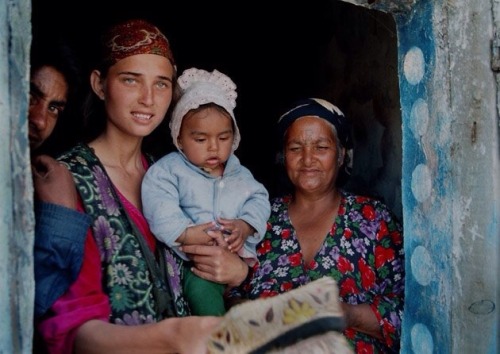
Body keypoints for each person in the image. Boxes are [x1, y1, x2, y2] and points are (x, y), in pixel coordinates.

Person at [35, 19, 249, 354]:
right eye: (131, 80)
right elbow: (68, 328)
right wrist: (171, 337)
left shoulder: (180, 175)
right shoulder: (68, 179)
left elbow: (214, 265)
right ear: (100, 84)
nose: (148, 99)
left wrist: (237, 272)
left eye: (162, 84)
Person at [228, 98, 405, 353]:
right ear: (282, 156)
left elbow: (410, 311)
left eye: (321, 147)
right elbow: (229, 295)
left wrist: (349, 314)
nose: (308, 159)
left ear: (342, 154)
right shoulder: (260, 218)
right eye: (296, 148)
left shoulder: (373, 219)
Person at [141, 67, 271, 316]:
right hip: (197, 265)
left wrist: (245, 226)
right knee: (201, 292)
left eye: (223, 138)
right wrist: (187, 234)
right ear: (179, 139)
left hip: (238, 263)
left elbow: (259, 199)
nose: (213, 148)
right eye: (201, 140)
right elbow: (159, 204)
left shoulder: (239, 174)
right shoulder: (169, 171)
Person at [28, 34, 92, 319]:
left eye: (54, 107)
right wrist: (61, 217)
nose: (40, 120)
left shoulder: (38, 182)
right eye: (31, 96)